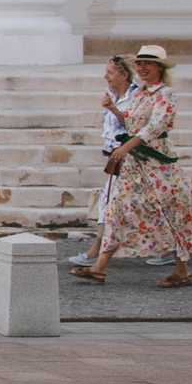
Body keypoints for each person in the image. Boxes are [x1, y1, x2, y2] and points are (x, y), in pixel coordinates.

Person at [72, 44, 192, 288]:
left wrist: (126, 147)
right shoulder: (139, 94)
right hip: (133, 166)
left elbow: (155, 127)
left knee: (170, 212)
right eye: (140, 64)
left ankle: (182, 270)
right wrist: (114, 110)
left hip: (156, 164)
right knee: (116, 209)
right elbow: (132, 124)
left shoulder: (165, 94)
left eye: (148, 64)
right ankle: (100, 267)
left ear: (159, 68)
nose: (142, 68)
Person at [70, 55, 135, 264]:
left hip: (130, 158)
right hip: (114, 157)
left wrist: (113, 109)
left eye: (110, 72)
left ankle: (96, 252)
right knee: (111, 202)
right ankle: (173, 249)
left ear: (124, 75)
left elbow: (135, 126)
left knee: (108, 202)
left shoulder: (135, 97)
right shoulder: (112, 95)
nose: (105, 76)